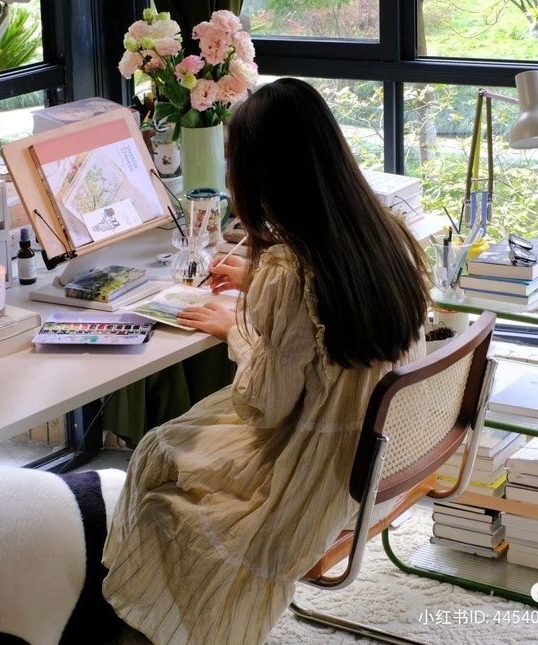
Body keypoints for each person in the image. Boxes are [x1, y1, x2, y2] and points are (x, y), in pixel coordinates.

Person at [102, 78, 430, 645]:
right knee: (170, 448)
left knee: (158, 466)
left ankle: (161, 625)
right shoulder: (386, 237)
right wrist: (262, 289)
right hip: (377, 465)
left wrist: (241, 330)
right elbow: (332, 307)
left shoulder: (289, 272)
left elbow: (264, 406)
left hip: (311, 475)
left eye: (233, 162)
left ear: (261, 176)